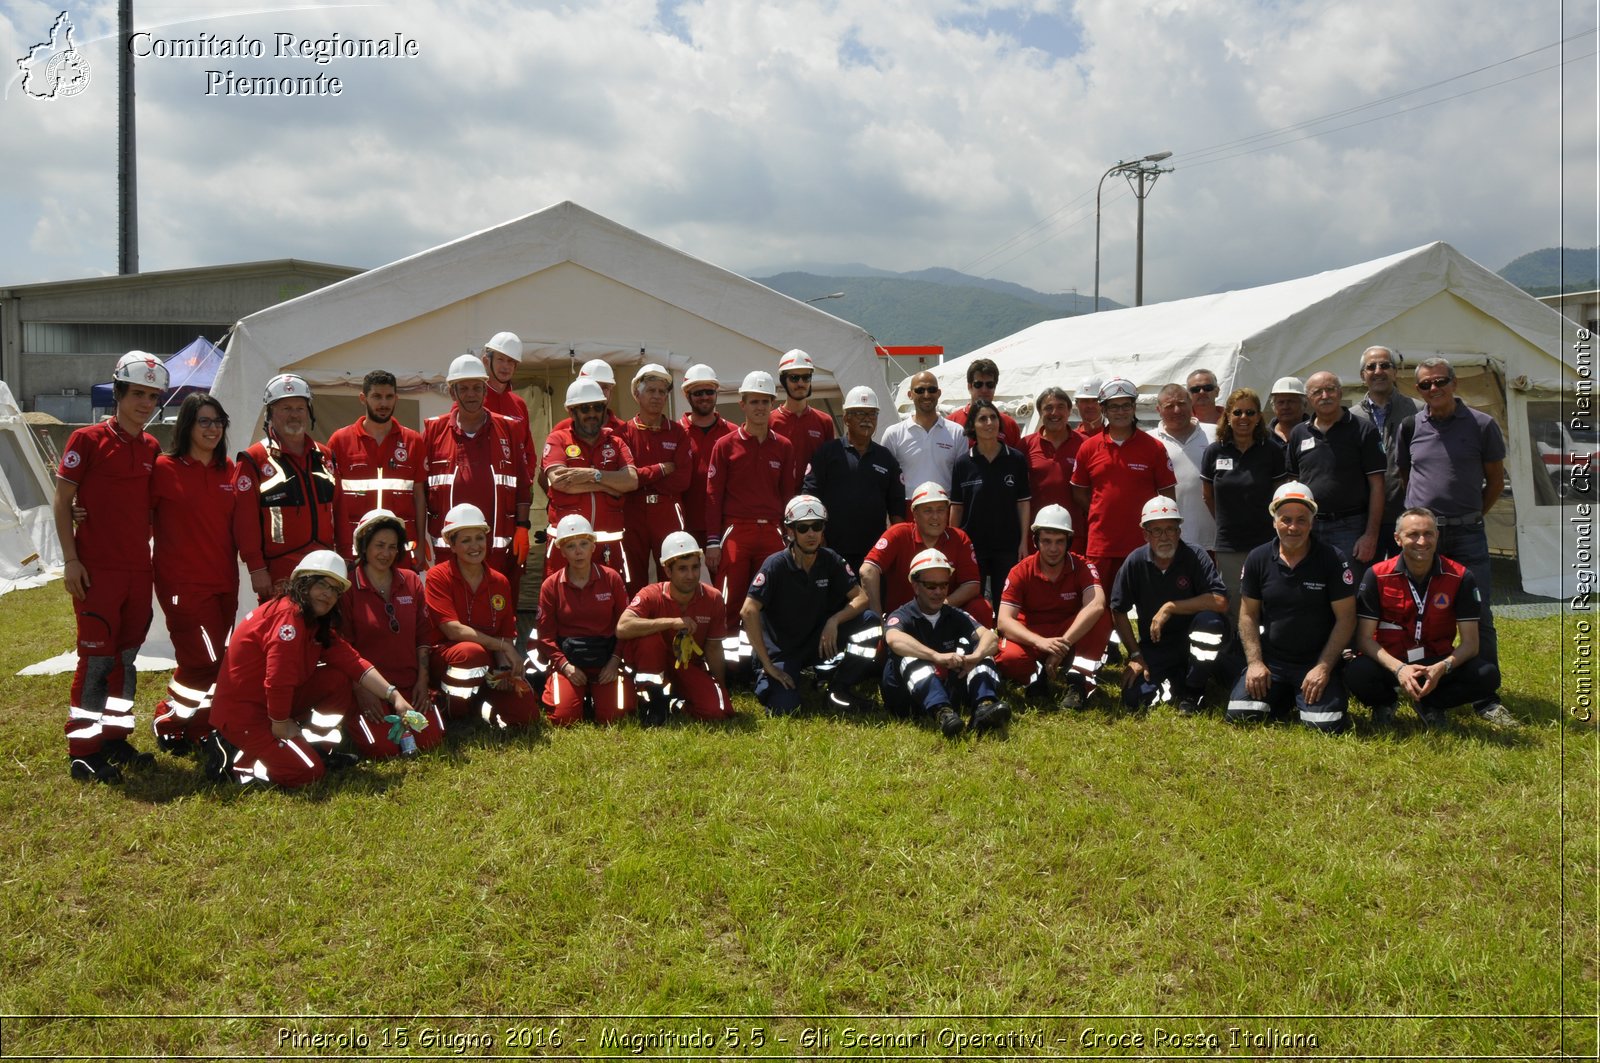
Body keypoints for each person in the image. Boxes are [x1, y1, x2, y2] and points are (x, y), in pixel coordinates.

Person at [202, 550, 419, 788]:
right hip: (245, 714)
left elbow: (354, 662)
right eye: (322, 584)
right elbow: (278, 680)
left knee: (337, 679)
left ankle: (316, 748)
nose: (328, 594)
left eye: (335, 590)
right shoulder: (289, 617)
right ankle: (234, 755)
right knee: (307, 772)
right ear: (303, 582)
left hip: (268, 704)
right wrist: (280, 723)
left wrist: (394, 695)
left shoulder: (313, 621)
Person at [54, 351, 166, 782]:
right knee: (96, 661)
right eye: (137, 393)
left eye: (152, 396)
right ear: (118, 393)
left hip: (139, 571)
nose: (145, 403)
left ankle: (115, 737)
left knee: (126, 658)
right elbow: (63, 500)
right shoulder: (86, 439)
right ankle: (83, 748)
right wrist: (70, 560)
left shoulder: (152, 446)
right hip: (97, 570)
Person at [1397, 356, 1509, 708]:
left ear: (1454, 383)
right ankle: (1416, 683)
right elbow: (1406, 476)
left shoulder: (1482, 424)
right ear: (1418, 390)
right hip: (1422, 538)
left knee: (1479, 612)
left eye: (1441, 381)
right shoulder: (1410, 427)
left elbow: (1494, 480)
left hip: (1467, 534)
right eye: (1426, 384)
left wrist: (1471, 514)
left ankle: (1484, 695)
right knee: (1416, 611)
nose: (1435, 389)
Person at [1347, 507, 1515, 728]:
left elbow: (1471, 644)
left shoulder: (1460, 576)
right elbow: (1364, 639)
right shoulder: (1377, 575)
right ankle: (1385, 703)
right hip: (1392, 661)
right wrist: (1399, 669)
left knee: (1487, 675)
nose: (1422, 541)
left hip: (1434, 662)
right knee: (1355, 673)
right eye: (1413, 534)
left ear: (1437, 536)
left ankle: (1431, 703)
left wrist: (1441, 668)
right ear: (1397, 539)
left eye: (1428, 534)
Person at [149, 393, 243, 757]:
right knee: (201, 661)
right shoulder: (163, 469)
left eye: (218, 421)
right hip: (182, 586)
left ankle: (202, 727)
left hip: (225, 582)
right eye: (204, 421)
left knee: (219, 659)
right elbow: (130, 512)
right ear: (187, 424)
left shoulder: (231, 471)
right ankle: (169, 720)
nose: (213, 429)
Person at [1226, 481, 1357, 733]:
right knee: (1241, 716)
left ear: (1312, 522)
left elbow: (1347, 619)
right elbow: (1248, 614)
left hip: (1315, 661)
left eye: (1301, 520)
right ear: (1274, 521)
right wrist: (1255, 663)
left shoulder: (1332, 558)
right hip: (1272, 662)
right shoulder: (1257, 558)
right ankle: (1285, 695)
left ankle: (1319, 690)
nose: (1293, 527)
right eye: (1286, 519)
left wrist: (1323, 668)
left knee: (1326, 727)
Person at [740, 495, 881, 715]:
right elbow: (748, 611)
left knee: (870, 622)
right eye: (803, 528)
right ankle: (766, 675)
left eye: (817, 526)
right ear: (790, 532)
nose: (811, 533)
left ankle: (839, 687)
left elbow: (861, 597)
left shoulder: (830, 559)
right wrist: (768, 665)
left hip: (816, 642)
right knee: (785, 709)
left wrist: (834, 621)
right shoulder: (775, 565)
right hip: (782, 652)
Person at [704, 370, 796, 669]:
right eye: (753, 401)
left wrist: (789, 537)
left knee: (772, 602)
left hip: (771, 532)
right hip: (736, 531)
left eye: (765, 401)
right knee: (729, 602)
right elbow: (713, 496)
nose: (759, 407)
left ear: (773, 403)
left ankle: (765, 662)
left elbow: (787, 496)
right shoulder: (725, 445)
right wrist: (713, 542)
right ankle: (731, 667)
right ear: (742, 404)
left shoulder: (783, 446)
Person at [1109, 497, 1228, 715]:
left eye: (1170, 529)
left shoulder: (1195, 556)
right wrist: (1135, 655)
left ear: (1179, 532)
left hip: (1192, 644)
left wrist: (1170, 607)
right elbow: (1117, 609)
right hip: (1156, 647)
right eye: (1156, 531)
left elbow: (1220, 601)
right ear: (1145, 535)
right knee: (1133, 698)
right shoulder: (1135, 562)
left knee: (1210, 622)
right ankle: (1176, 684)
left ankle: (1194, 691)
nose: (1164, 537)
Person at [424, 503, 539, 730]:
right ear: (451, 544)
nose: (475, 546)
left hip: (488, 666)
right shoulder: (438, 576)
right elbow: (452, 630)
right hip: (448, 659)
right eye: (465, 540)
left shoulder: (499, 581)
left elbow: (506, 633)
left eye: (479, 538)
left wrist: (505, 671)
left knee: (526, 714)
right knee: (471, 653)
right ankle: (452, 709)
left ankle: (479, 703)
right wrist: (503, 647)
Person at [422, 354, 534, 587]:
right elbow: (420, 488)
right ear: (452, 393)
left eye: (476, 388)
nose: (471, 394)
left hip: (497, 552)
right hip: (447, 552)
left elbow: (523, 485)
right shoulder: (433, 431)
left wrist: (523, 527)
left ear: (485, 391)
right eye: (463, 389)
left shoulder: (509, 429)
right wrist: (418, 533)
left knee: (498, 612)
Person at [340, 509, 441, 757]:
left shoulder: (411, 581)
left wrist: (422, 681)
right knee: (383, 749)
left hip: (409, 686)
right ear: (363, 546)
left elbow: (423, 636)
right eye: (379, 545)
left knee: (430, 740)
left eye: (393, 547)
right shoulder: (348, 588)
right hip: (370, 690)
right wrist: (360, 690)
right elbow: (342, 648)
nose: (386, 553)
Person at [881, 548, 1009, 737]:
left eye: (944, 585)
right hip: (905, 699)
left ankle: (984, 707)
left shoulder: (954, 614)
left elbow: (990, 638)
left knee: (981, 650)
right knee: (911, 657)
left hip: (947, 690)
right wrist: (936, 656)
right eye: (931, 586)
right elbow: (893, 639)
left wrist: (974, 657)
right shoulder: (902, 615)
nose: (939, 592)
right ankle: (942, 713)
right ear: (915, 586)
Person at [993, 505, 1109, 709]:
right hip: (1031, 636)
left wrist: (1061, 646)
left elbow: (1097, 604)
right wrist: (1041, 642)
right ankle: (1036, 679)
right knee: (1010, 659)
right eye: (1046, 541)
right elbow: (1003, 620)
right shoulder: (1020, 571)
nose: (1053, 549)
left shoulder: (1083, 566)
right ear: (1036, 541)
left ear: (1069, 542)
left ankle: (1078, 682)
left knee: (1101, 617)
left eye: (1059, 542)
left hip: (1069, 634)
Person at [1070, 377, 1177, 594]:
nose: (1121, 412)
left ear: (1134, 407)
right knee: (1100, 606)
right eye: (1114, 406)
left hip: (1143, 544)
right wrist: (1101, 513)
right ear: (1104, 410)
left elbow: (1167, 495)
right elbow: (1078, 491)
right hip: (1101, 545)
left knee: (1145, 604)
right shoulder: (1088, 448)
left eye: (1126, 405)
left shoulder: (1154, 447)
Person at [235, 373, 337, 601]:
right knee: (281, 633)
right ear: (270, 413)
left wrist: (346, 557)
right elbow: (245, 522)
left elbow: (340, 510)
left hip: (324, 565)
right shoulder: (253, 459)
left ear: (308, 412)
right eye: (286, 408)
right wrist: (256, 568)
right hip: (278, 571)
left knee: (322, 633)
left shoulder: (325, 456)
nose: (294, 414)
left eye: (300, 408)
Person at [617, 531, 735, 724]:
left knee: (716, 711)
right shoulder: (650, 594)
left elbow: (714, 648)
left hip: (687, 665)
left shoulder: (713, 598)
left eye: (695, 567)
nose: (690, 575)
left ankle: (675, 703)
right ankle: (651, 702)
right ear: (668, 571)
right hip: (654, 665)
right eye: (682, 569)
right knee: (649, 640)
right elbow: (623, 627)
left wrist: (719, 686)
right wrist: (670, 622)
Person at [1200, 387, 1287, 633]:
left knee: (1267, 597)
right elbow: (1207, 496)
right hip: (1229, 542)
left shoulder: (1271, 451)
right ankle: (1235, 656)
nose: (1243, 418)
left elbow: (1280, 498)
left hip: (1266, 541)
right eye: (1237, 412)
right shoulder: (1215, 451)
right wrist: (1227, 522)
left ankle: (1269, 649)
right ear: (1227, 416)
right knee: (1233, 601)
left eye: (1250, 412)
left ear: (1259, 416)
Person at [534, 515, 634, 726]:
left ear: (593, 546)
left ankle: (595, 695)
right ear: (561, 550)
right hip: (569, 660)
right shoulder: (551, 585)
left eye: (583, 544)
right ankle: (575, 694)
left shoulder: (611, 578)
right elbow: (545, 636)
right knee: (564, 719)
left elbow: (626, 628)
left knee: (613, 718)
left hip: (605, 660)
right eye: (571, 546)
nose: (578, 551)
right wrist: (565, 666)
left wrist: (614, 661)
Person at [328, 369, 428, 569]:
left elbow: (419, 496)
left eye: (389, 397)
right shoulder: (340, 440)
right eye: (377, 396)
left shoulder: (413, 441)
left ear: (396, 398)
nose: (383, 404)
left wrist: (420, 545)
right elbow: (332, 501)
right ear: (363, 398)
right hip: (356, 552)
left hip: (400, 550)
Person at [801, 385, 906, 574]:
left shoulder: (886, 458)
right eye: (860, 413)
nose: (867, 419)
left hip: (873, 554)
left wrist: (896, 545)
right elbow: (810, 495)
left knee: (872, 602)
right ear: (846, 417)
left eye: (872, 414)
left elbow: (896, 508)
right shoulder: (827, 453)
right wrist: (817, 535)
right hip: (832, 550)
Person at [1286, 371, 1385, 570]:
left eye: (1330, 389)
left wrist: (1370, 536)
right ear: (1308, 400)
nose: (1325, 396)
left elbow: (1378, 486)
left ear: (1340, 393)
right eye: (1317, 392)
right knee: (1312, 590)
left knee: (1350, 590)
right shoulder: (1298, 433)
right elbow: (1292, 484)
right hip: (1309, 527)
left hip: (1350, 527)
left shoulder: (1364, 430)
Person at [860, 481, 994, 627]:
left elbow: (972, 585)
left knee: (982, 607)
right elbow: (867, 570)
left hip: (947, 615)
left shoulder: (959, 538)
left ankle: (979, 648)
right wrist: (878, 619)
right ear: (914, 514)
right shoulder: (898, 534)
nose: (935, 517)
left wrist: (937, 607)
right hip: (903, 620)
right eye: (928, 510)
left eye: (941, 510)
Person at [542, 377, 638, 580]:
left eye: (597, 407)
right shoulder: (558, 439)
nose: (592, 413)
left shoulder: (617, 443)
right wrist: (610, 485)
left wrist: (592, 475)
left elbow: (631, 481)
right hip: (567, 545)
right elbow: (560, 482)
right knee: (563, 603)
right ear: (571, 411)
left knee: (612, 605)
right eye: (584, 409)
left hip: (609, 546)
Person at [949, 399, 1031, 612]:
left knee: (1006, 601)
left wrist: (1023, 542)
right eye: (982, 418)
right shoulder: (962, 463)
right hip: (973, 546)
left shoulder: (1016, 459)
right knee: (973, 603)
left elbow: (1023, 504)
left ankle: (1005, 642)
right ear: (972, 426)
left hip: (1008, 545)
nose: (989, 423)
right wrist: (952, 545)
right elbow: (956, 508)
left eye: (993, 417)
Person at [618, 364, 693, 591]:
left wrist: (640, 479)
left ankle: (671, 624)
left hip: (667, 510)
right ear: (637, 394)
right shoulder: (624, 432)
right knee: (633, 575)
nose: (657, 396)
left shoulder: (678, 432)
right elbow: (626, 480)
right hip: (632, 511)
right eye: (651, 390)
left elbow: (682, 479)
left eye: (662, 392)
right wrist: (661, 469)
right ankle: (636, 622)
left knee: (672, 572)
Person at [1349, 346, 1418, 560]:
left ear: (1395, 372)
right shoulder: (1351, 418)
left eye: (1385, 365)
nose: (1378, 371)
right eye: (1371, 367)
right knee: (1369, 584)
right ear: (1363, 376)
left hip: (1406, 514)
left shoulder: (1418, 411)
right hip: (1364, 518)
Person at [1150, 383, 1218, 554]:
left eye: (1181, 404)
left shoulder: (1216, 434)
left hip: (1213, 537)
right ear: (1158, 409)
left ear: (1191, 404)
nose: (1176, 410)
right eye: (1169, 406)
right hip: (1167, 540)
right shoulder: (1148, 441)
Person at [879, 369, 966, 497]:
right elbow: (884, 478)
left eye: (931, 390)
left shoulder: (957, 432)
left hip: (944, 509)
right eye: (920, 390)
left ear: (939, 393)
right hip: (907, 509)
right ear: (910, 394)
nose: (926, 395)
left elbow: (962, 478)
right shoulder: (893, 434)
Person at [1019, 386, 1085, 553]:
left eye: (1061, 407)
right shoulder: (1025, 445)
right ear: (1040, 413)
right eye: (1048, 408)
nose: (1054, 412)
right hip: (1036, 534)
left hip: (1075, 534)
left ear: (1069, 411)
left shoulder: (1085, 444)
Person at [678, 363, 736, 548]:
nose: (704, 397)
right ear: (687, 396)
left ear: (717, 393)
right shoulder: (676, 432)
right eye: (698, 393)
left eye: (709, 392)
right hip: (686, 527)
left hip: (725, 525)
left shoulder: (733, 432)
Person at [768, 348, 837, 484]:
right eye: (794, 378)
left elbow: (829, 465)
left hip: (814, 499)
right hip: (778, 499)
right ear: (783, 380)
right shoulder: (769, 420)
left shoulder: (825, 421)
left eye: (806, 377)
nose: (800, 383)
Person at [479, 331, 539, 463]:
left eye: (511, 361)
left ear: (515, 366)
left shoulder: (519, 404)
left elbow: (528, 450)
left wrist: (526, 479)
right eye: (500, 359)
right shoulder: (472, 400)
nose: (506, 366)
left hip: (517, 483)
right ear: (486, 361)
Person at [946, 358, 1022, 444]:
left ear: (995, 387)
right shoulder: (951, 423)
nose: (984, 390)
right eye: (978, 384)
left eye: (990, 385)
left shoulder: (1009, 424)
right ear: (969, 386)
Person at [1267, 376, 1308, 447]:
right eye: (1281, 402)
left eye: (1291, 401)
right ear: (1273, 406)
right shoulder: (1263, 436)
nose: (1285, 407)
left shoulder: (1315, 433)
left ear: (1304, 404)